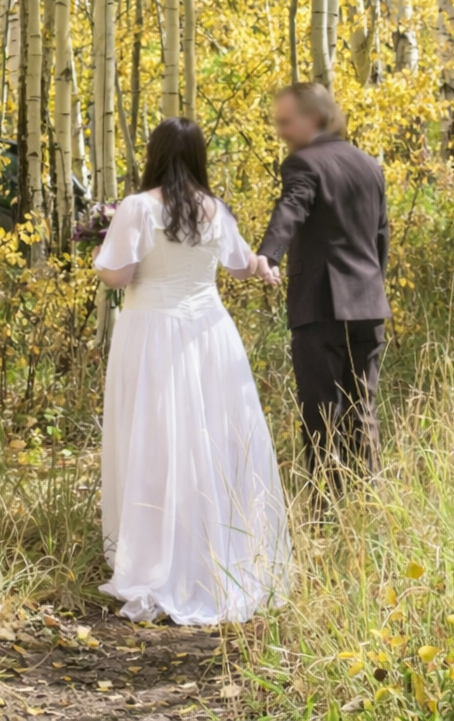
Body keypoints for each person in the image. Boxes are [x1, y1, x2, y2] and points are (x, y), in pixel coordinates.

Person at [93, 117, 290, 624]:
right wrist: (266, 266)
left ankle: (156, 558)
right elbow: (245, 266)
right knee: (213, 439)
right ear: (199, 156)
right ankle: (217, 555)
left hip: (150, 333)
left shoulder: (137, 208)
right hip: (208, 333)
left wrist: (103, 244)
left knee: (154, 440)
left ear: (155, 155)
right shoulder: (215, 210)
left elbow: (117, 275)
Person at [251, 82, 390, 488]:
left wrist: (269, 253)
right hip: (368, 304)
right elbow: (380, 237)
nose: (281, 131)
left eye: (285, 122)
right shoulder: (369, 164)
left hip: (321, 305)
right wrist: (371, 286)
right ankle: (367, 506)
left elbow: (292, 205)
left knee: (321, 415)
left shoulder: (303, 164)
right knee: (361, 410)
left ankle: (327, 515)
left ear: (312, 118)